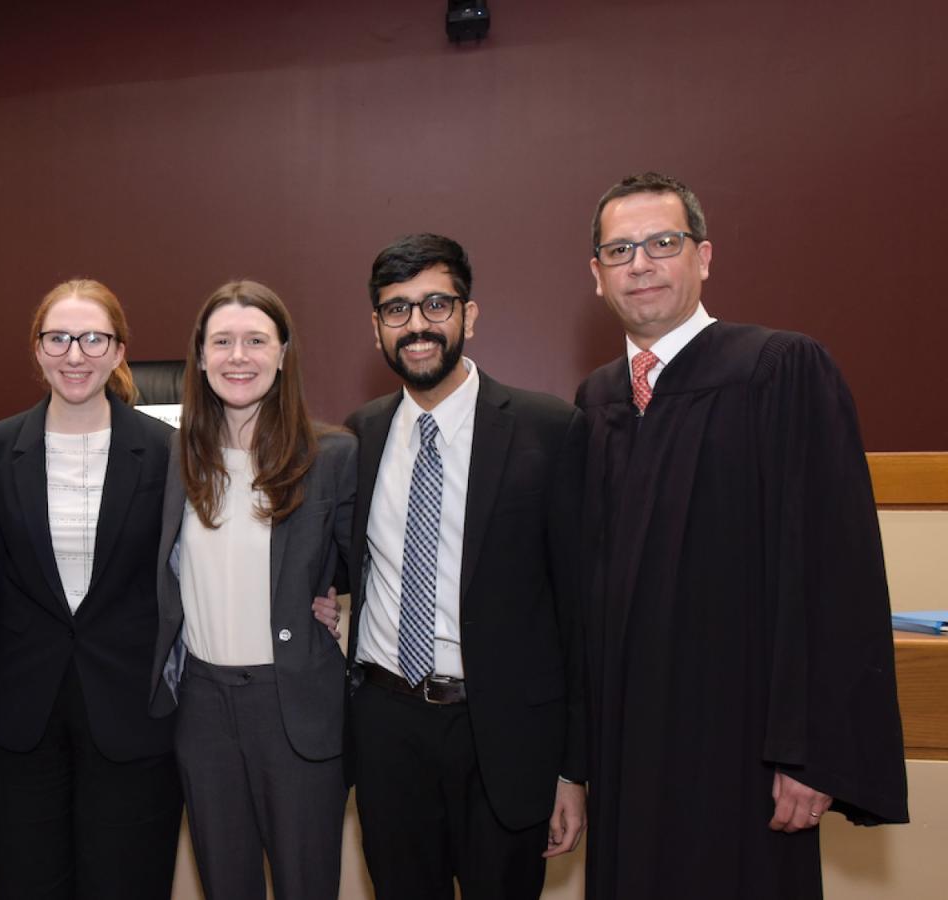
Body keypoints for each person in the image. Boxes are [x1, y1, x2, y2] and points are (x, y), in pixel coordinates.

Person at [576, 172, 908, 898]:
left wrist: (809, 750)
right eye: (620, 250)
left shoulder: (781, 370)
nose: (641, 264)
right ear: (596, 275)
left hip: (743, 752)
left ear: (704, 256)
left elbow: (833, 572)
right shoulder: (598, 400)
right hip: (627, 748)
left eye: (663, 243)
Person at [316, 233, 588, 899]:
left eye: (436, 304)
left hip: (502, 732)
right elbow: (347, 564)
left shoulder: (548, 429)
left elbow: (581, 610)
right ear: (376, 326)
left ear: (469, 315)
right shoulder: (360, 434)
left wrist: (572, 770)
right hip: (386, 726)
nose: (417, 325)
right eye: (396, 309)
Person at [0, 279, 183, 899]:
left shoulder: (167, 450)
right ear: (37, 350)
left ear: (118, 351)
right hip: (20, 713)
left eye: (93, 339)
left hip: (133, 714)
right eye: (58, 338)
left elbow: (192, 570)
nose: (75, 354)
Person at [149, 280, 355, 900]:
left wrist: (337, 608)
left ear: (284, 352)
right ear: (201, 356)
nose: (239, 356)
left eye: (256, 341)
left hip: (295, 706)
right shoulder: (175, 456)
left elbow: (370, 568)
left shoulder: (333, 454)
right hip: (202, 707)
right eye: (223, 342)